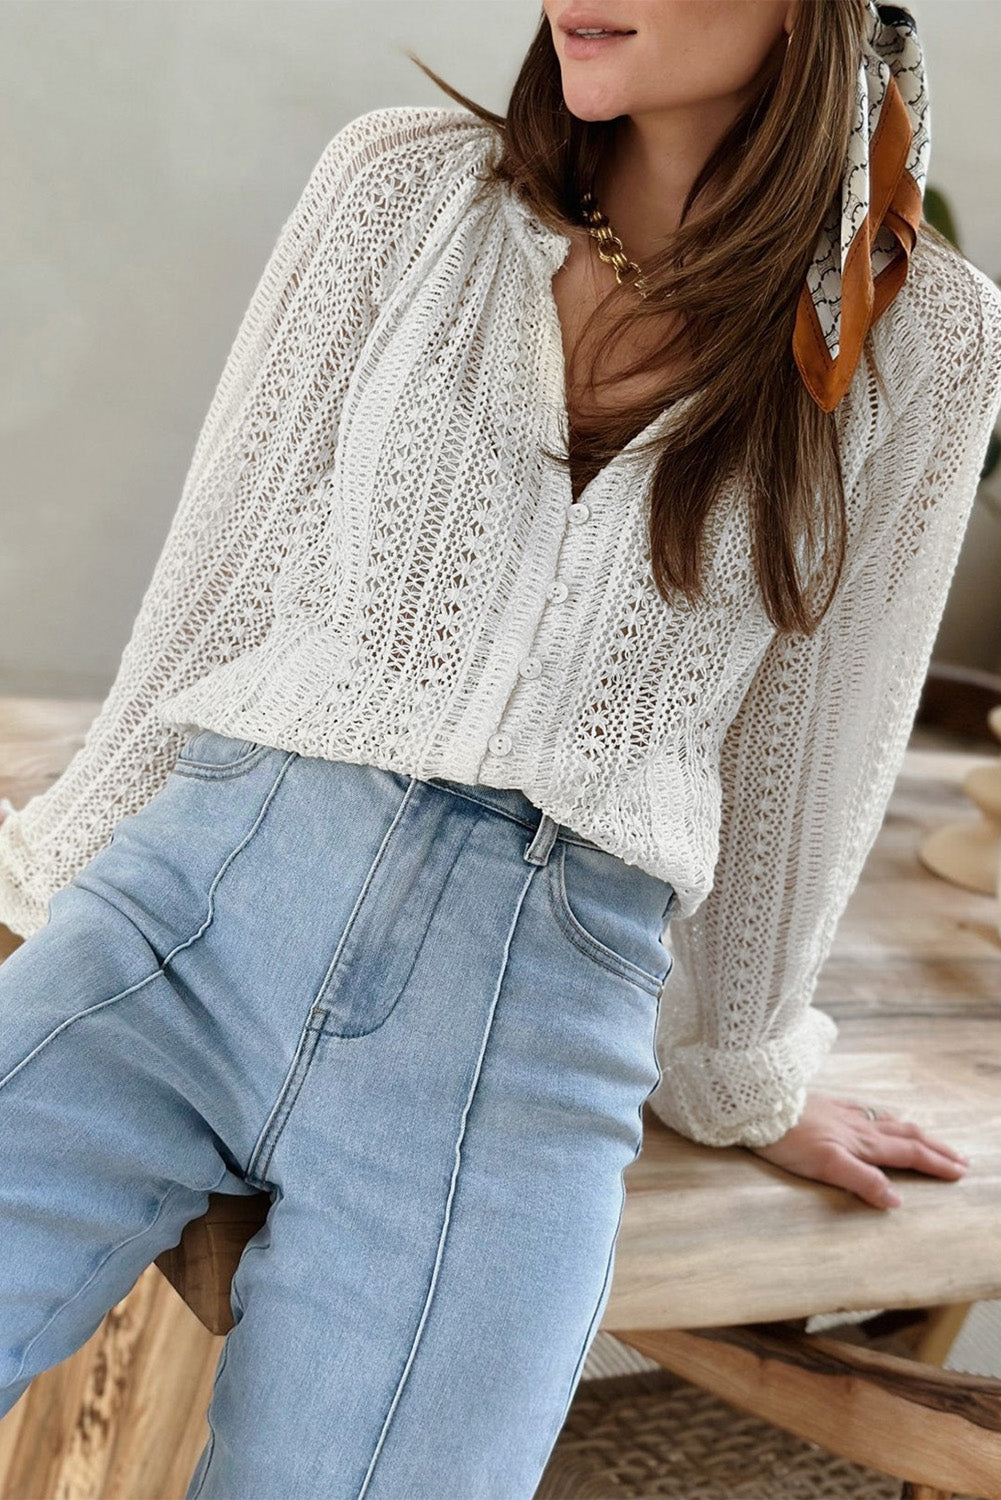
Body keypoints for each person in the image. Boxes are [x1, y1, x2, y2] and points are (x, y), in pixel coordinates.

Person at [0, 2, 998, 1495]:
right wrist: (53, 885)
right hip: (188, 914)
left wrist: (742, 1069)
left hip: (519, 1036)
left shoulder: (918, 333)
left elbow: (812, 745)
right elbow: (214, 582)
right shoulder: (402, 189)